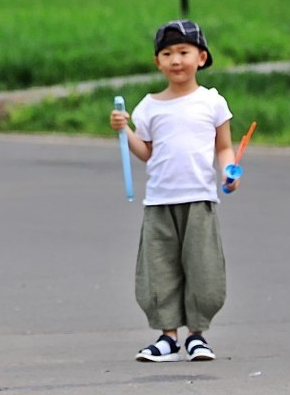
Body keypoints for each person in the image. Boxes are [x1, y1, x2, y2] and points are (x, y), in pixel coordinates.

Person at [109, 20, 237, 364]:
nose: (175, 60)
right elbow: (145, 152)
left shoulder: (212, 102)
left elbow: (224, 148)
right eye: (167, 54)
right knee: (159, 267)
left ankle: (197, 336)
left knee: (203, 268)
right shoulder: (149, 106)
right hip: (160, 201)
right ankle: (167, 337)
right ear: (158, 63)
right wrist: (126, 132)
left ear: (202, 57)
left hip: (200, 199)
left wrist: (229, 171)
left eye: (183, 52)